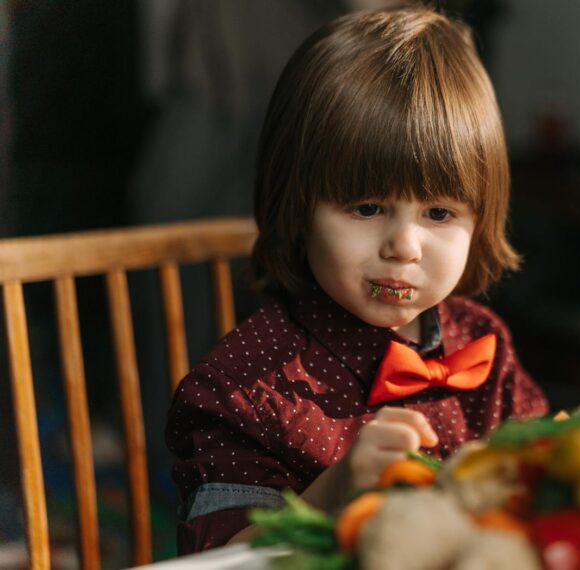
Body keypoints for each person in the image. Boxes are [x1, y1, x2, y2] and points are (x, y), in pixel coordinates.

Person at [165, 5, 549, 554]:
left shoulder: (484, 344)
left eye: (439, 214)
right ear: (296, 208)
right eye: (367, 207)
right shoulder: (242, 390)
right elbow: (218, 560)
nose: (404, 246)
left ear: (481, 220)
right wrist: (331, 494)